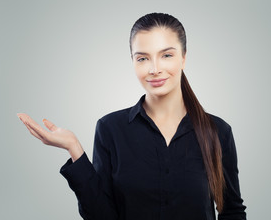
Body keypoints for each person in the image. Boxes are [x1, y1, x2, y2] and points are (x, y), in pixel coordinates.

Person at [17, 12, 247, 220]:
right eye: (142, 58)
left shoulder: (218, 132)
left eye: (166, 55)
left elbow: (232, 212)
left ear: (184, 57)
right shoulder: (110, 129)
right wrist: (74, 150)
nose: (154, 68)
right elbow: (101, 216)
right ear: (133, 62)